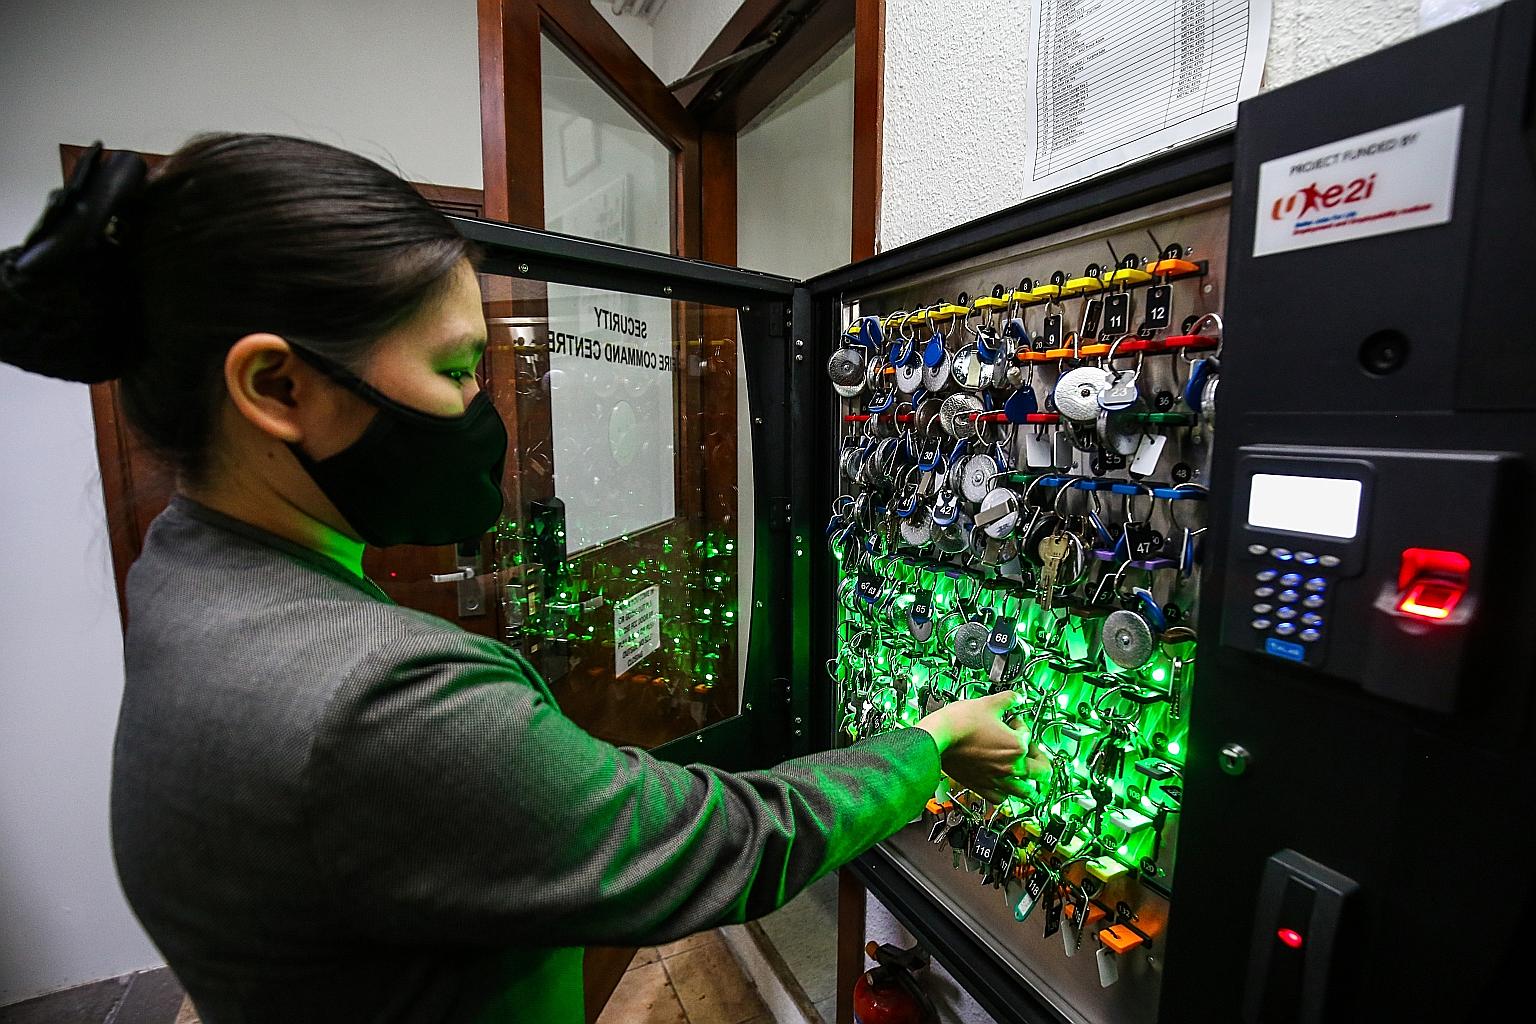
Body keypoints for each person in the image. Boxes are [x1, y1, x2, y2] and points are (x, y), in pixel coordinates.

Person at [0, 135, 1042, 1024]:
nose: (482, 410)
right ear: (278, 385)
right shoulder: (372, 701)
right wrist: (932, 742)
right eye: (454, 372)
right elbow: (725, 841)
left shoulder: (186, 571)